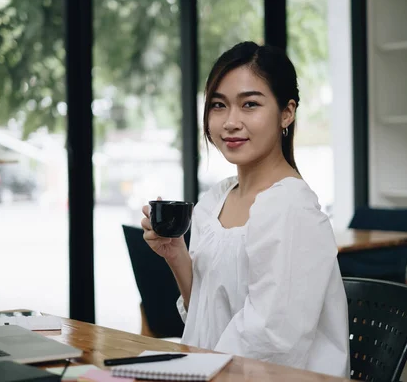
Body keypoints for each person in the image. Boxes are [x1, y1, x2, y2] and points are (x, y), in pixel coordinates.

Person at [141, 41, 349, 377]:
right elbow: (207, 315)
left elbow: (270, 341)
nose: (230, 122)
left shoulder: (291, 208)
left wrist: (190, 372)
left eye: (250, 104)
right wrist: (175, 254)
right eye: (219, 105)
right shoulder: (216, 200)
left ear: (287, 112)